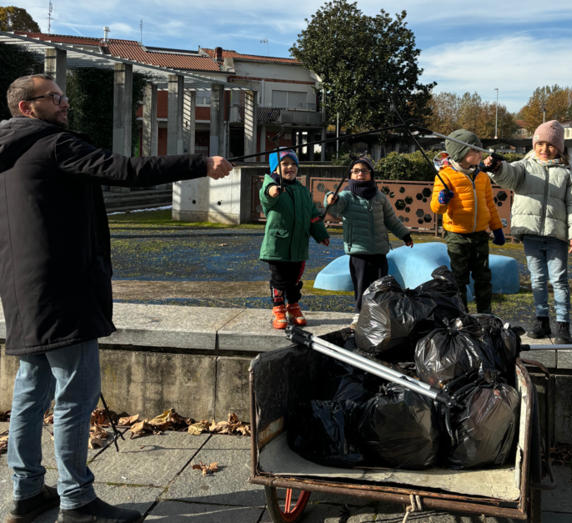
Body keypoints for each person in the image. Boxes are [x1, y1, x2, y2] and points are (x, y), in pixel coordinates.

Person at [0, 74, 232, 523]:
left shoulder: (9, 152)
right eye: (55, 97)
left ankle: (27, 492)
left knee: (30, 392)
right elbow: (127, 170)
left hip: (22, 289)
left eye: (65, 95)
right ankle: (77, 501)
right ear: (28, 108)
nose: (65, 103)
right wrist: (201, 163)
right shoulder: (53, 144)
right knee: (76, 395)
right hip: (62, 289)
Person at [484, 120, 572, 344]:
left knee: (559, 279)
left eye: (550, 145)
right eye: (540, 143)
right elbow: (508, 175)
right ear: (533, 144)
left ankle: (563, 324)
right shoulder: (523, 166)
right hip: (531, 233)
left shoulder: (568, 174)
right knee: (537, 279)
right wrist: (496, 167)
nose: (544, 149)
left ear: (559, 148)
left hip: (557, 235)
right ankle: (541, 320)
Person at [325, 157, 413, 328]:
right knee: (361, 285)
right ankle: (358, 315)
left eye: (364, 171)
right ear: (350, 174)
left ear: (371, 174)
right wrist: (330, 197)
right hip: (359, 250)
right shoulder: (346, 195)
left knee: (381, 286)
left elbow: (391, 220)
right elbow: (335, 205)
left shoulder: (380, 197)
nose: (360, 174)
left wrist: (405, 235)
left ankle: (379, 314)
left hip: (380, 250)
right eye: (356, 171)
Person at [429, 130, 505, 313]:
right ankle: (461, 315)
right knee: (459, 278)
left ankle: (485, 314)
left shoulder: (483, 177)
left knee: (483, 277)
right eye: (475, 150)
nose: (481, 154)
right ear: (461, 153)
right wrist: (442, 200)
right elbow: (436, 209)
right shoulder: (445, 176)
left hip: (480, 235)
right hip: (457, 235)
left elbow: (490, 205)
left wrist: (497, 228)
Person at [259, 150, 330, 329]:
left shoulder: (303, 191)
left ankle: (293, 306)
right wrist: (272, 189)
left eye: (293, 164)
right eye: (284, 164)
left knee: (295, 280)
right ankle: (278, 308)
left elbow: (313, 215)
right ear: (276, 169)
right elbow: (266, 195)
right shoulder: (273, 187)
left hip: (299, 245)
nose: (290, 167)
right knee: (279, 279)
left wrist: (321, 234)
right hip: (278, 245)